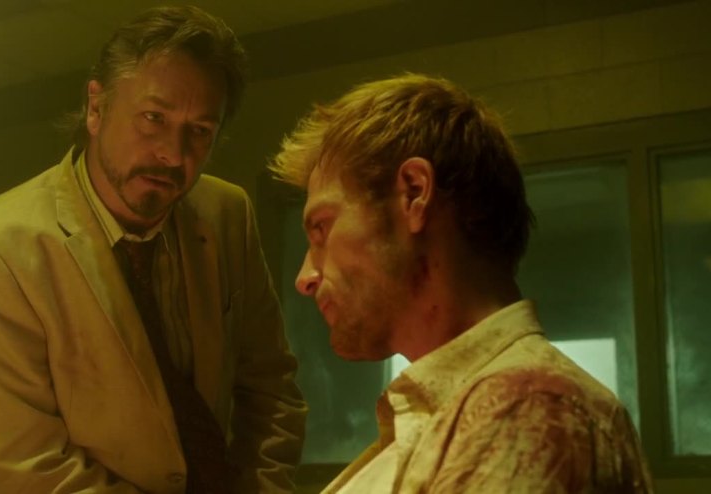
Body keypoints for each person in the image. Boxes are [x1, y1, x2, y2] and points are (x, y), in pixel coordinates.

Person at [0, 6, 306, 493]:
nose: (172, 153)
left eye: (199, 131)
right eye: (154, 118)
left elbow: (272, 389)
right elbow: (27, 465)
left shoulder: (227, 213)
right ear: (96, 107)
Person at [269, 73, 652, 493]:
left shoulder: (528, 407)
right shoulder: (454, 412)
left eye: (321, 229)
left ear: (414, 193)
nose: (305, 278)